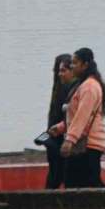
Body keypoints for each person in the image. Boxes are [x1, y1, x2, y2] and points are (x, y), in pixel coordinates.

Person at [58, 47, 105, 189]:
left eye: (74, 63)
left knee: (80, 186)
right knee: (88, 184)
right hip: (85, 144)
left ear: (85, 65)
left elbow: (83, 115)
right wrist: (62, 127)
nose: (72, 66)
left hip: (86, 145)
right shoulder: (85, 85)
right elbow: (78, 114)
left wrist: (70, 139)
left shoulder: (89, 86)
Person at [42, 52, 75, 189]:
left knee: (55, 175)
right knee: (61, 175)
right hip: (59, 137)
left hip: (57, 137)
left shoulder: (61, 88)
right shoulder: (65, 87)